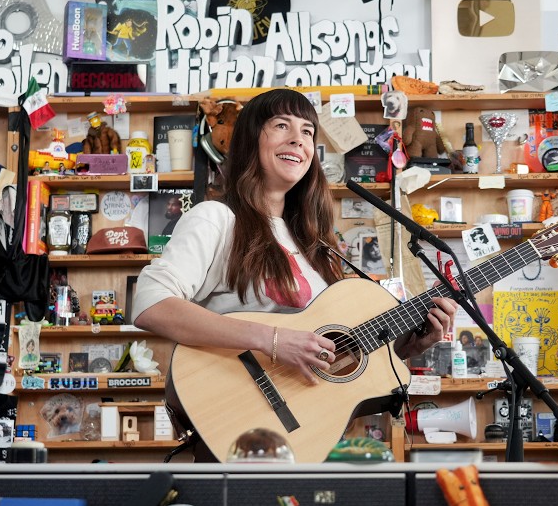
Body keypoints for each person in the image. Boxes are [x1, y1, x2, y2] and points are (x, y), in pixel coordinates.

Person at [134, 88, 455, 388]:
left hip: (305, 428)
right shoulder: (216, 218)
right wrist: (272, 339)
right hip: (232, 414)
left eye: (306, 131)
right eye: (281, 125)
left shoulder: (315, 243)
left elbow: (328, 360)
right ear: (249, 139)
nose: (298, 140)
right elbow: (151, 303)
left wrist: (405, 347)